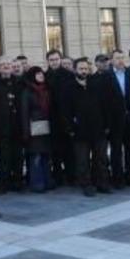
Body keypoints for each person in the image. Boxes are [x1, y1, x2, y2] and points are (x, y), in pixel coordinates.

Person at [64, 58, 112, 196]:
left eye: (86, 69)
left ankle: (102, 182)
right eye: (81, 69)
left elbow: (105, 106)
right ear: (75, 70)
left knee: (101, 158)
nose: (84, 71)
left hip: (99, 128)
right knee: (82, 160)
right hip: (79, 131)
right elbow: (65, 111)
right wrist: (70, 129)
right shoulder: (69, 87)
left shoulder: (97, 84)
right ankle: (86, 184)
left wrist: (107, 124)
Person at [0, 57, 23, 193]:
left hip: (17, 125)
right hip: (1, 127)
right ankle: (4, 184)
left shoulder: (18, 82)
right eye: (3, 65)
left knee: (18, 155)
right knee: (4, 157)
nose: (6, 67)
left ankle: (18, 182)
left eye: (8, 64)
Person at [109, 50, 130, 187]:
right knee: (116, 150)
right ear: (111, 60)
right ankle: (117, 179)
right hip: (115, 120)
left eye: (122, 58)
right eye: (117, 58)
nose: (120, 61)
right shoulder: (106, 76)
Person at [20, 66, 54, 192]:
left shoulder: (46, 89)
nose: (41, 76)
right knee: (36, 156)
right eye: (38, 74)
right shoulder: (27, 91)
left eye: (42, 74)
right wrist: (26, 132)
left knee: (45, 156)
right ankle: (37, 183)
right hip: (34, 129)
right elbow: (24, 113)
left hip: (46, 127)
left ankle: (47, 181)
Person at [45, 49, 76, 186]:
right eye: (51, 60)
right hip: (51, 118)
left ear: (60, 60)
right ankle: (57, 176)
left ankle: (71, 176)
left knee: (69, 149)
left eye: (56, 59)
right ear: (48, 61)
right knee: (55, 151)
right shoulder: (44, 76)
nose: (54, 62)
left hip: (67, 117)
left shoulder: (69, 75)